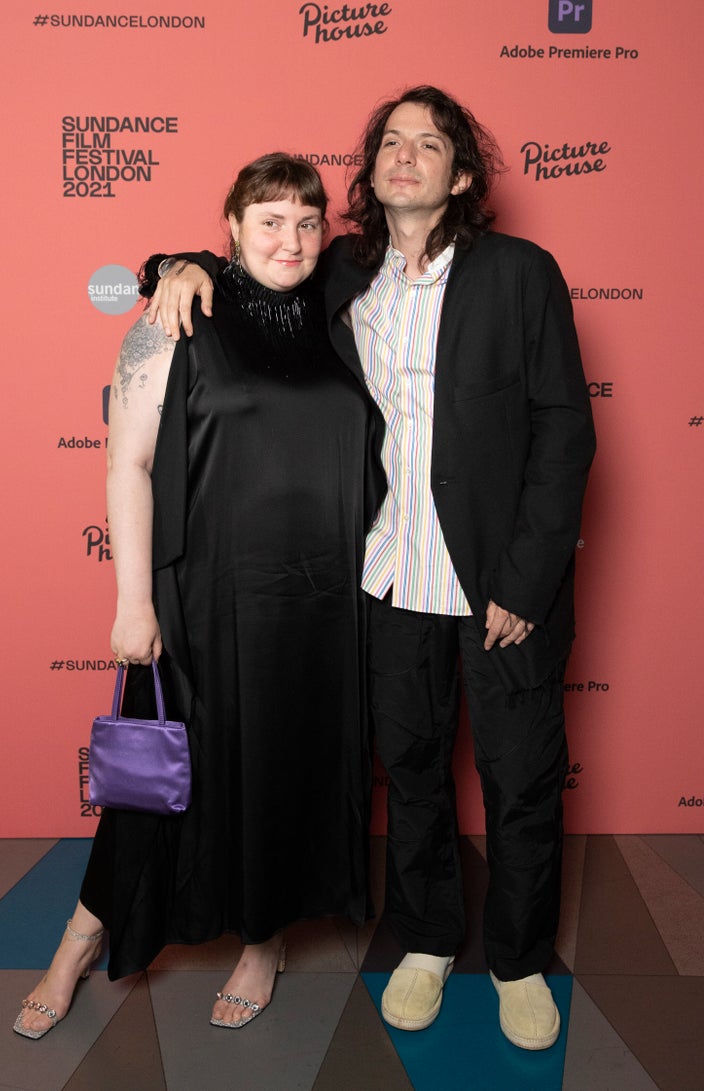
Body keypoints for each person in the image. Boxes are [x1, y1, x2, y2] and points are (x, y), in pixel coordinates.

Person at [146, 86, 597, 1052]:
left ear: (461, 175)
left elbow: (565, 429)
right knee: (419, 771)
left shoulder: (521, 272)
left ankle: (517, 959)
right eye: (391, 141)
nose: (405, 154)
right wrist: (173, 265)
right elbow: (253, 277)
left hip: (498, 586)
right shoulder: (345, 276)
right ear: (373, 168)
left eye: (429, 144)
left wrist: (526, 579)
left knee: (518, 779)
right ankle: (428, 940)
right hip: (388, 577)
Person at [13, 153, 386, 1040]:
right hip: (206, 594)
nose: (290, 238)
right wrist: (132, 601)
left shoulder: (343, 315)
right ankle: (81, 936)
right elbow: (129, 463)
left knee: (291, 773)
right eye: (269, 219)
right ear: (231, 227)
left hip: (324, 603)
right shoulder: (177, 312)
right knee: (163, 782)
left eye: (306, 220)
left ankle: (265, 939)